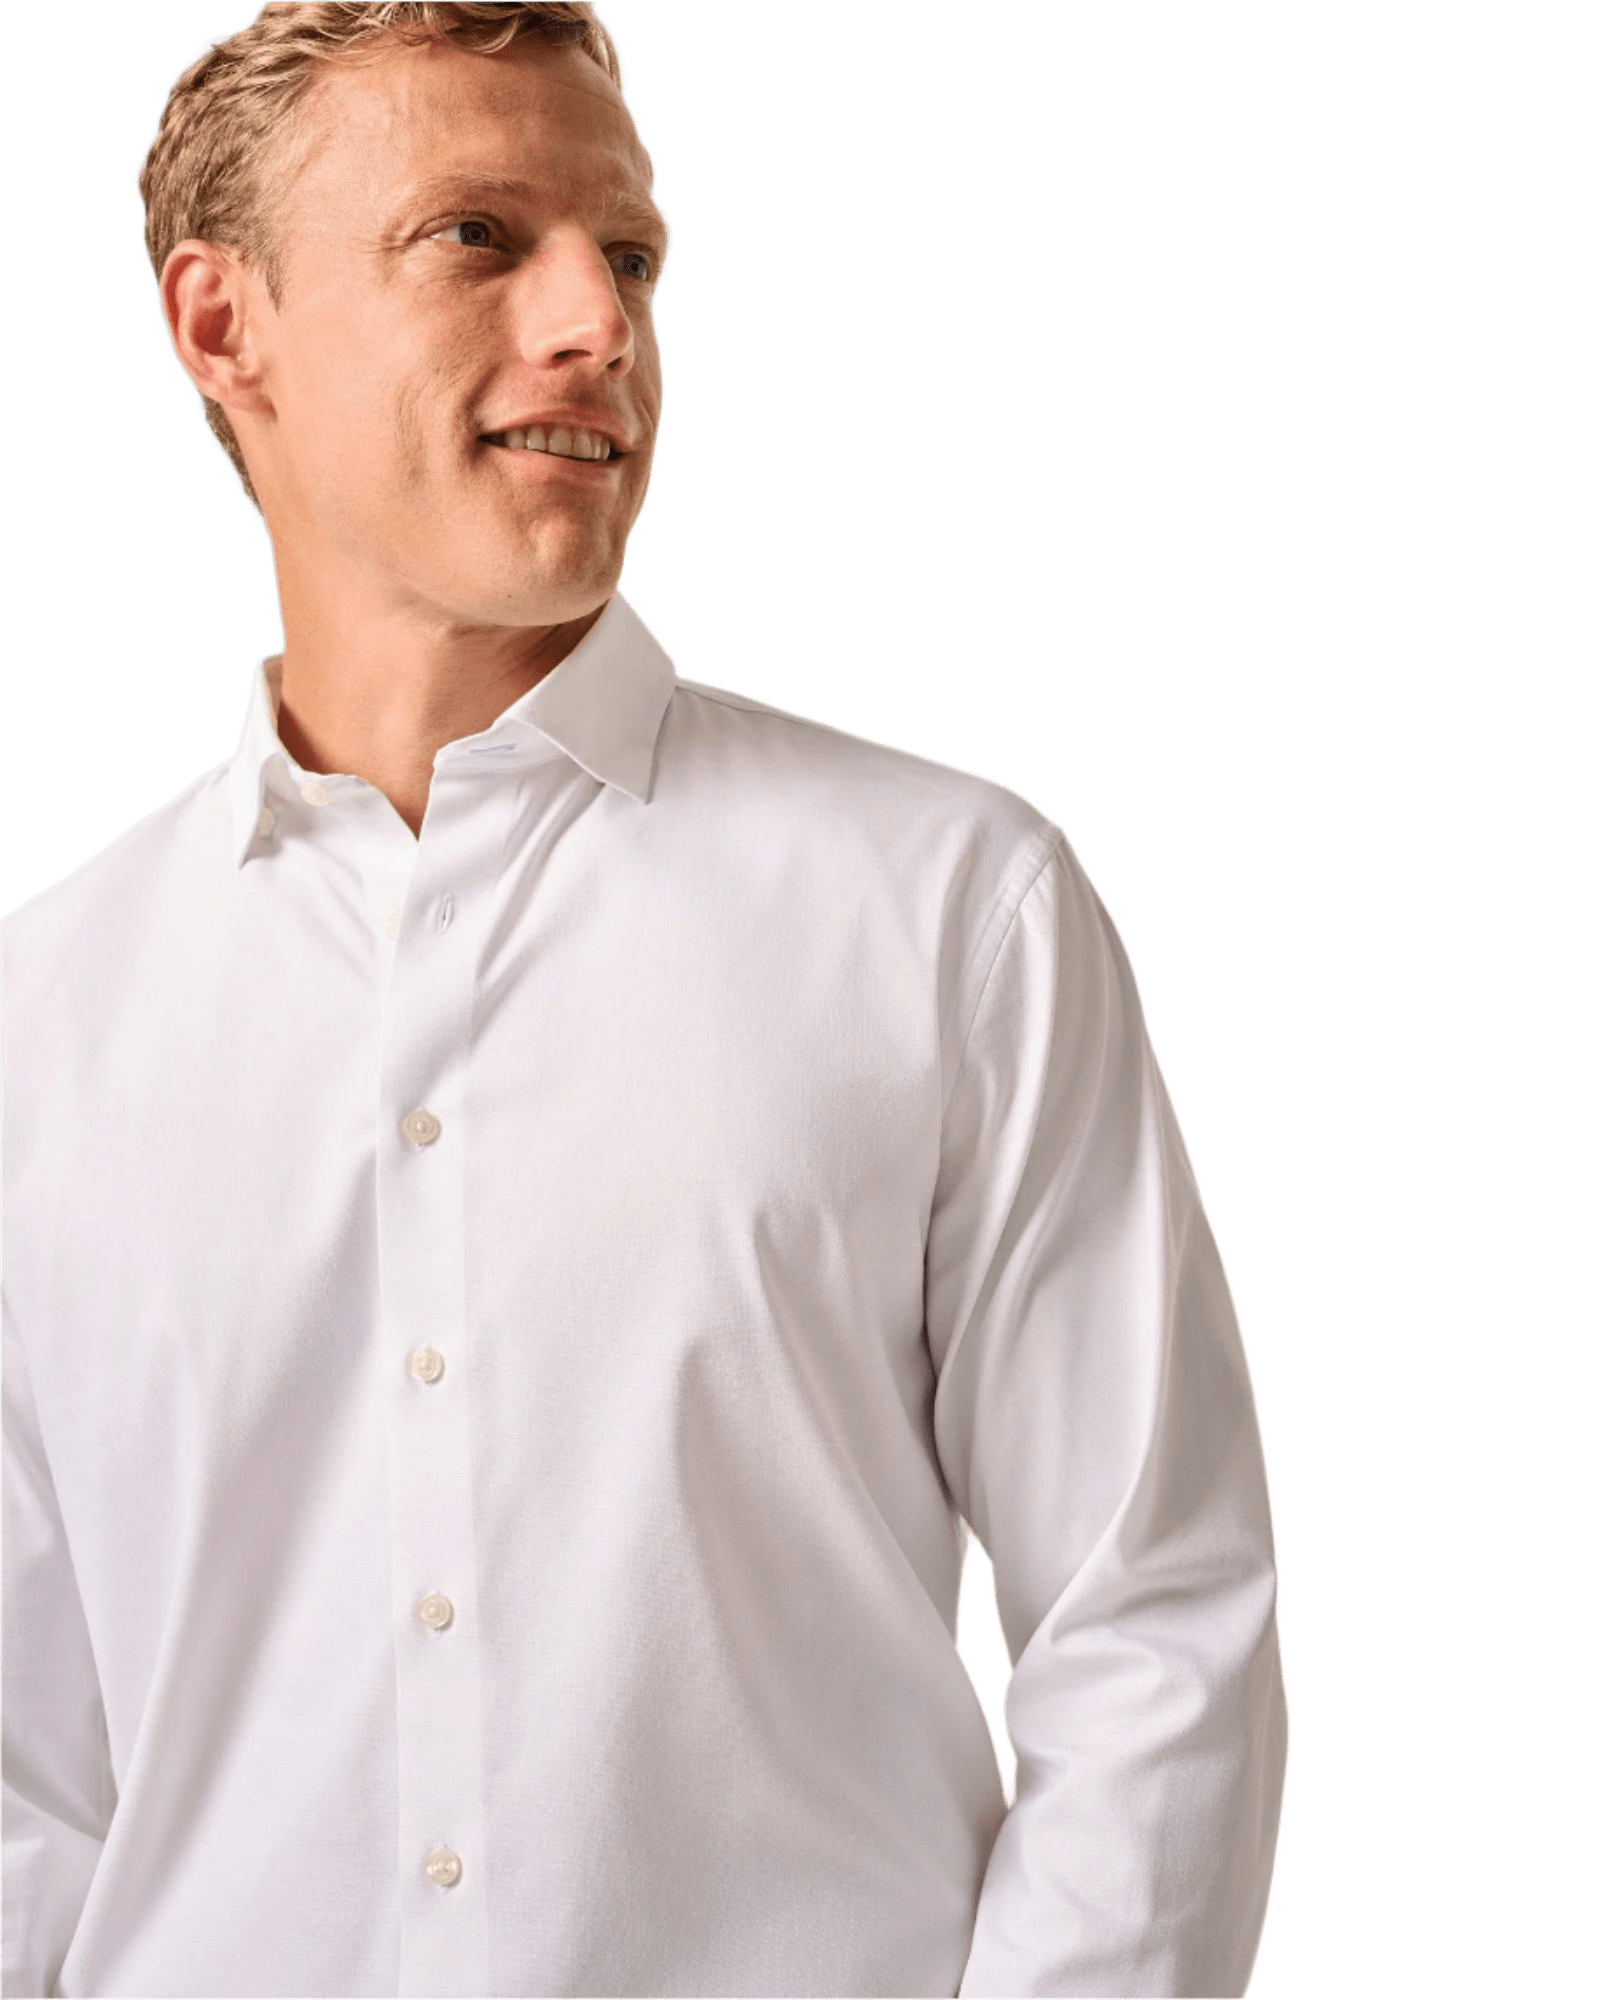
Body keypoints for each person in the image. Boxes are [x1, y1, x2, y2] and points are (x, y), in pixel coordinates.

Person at [0, 4, 1290, 1995]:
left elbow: (1154, 1631)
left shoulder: (949, 910)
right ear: (221, 323)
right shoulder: (43, 1019)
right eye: (478, 237)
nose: (596, 322)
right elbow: (26, 1780)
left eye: (631, 255)